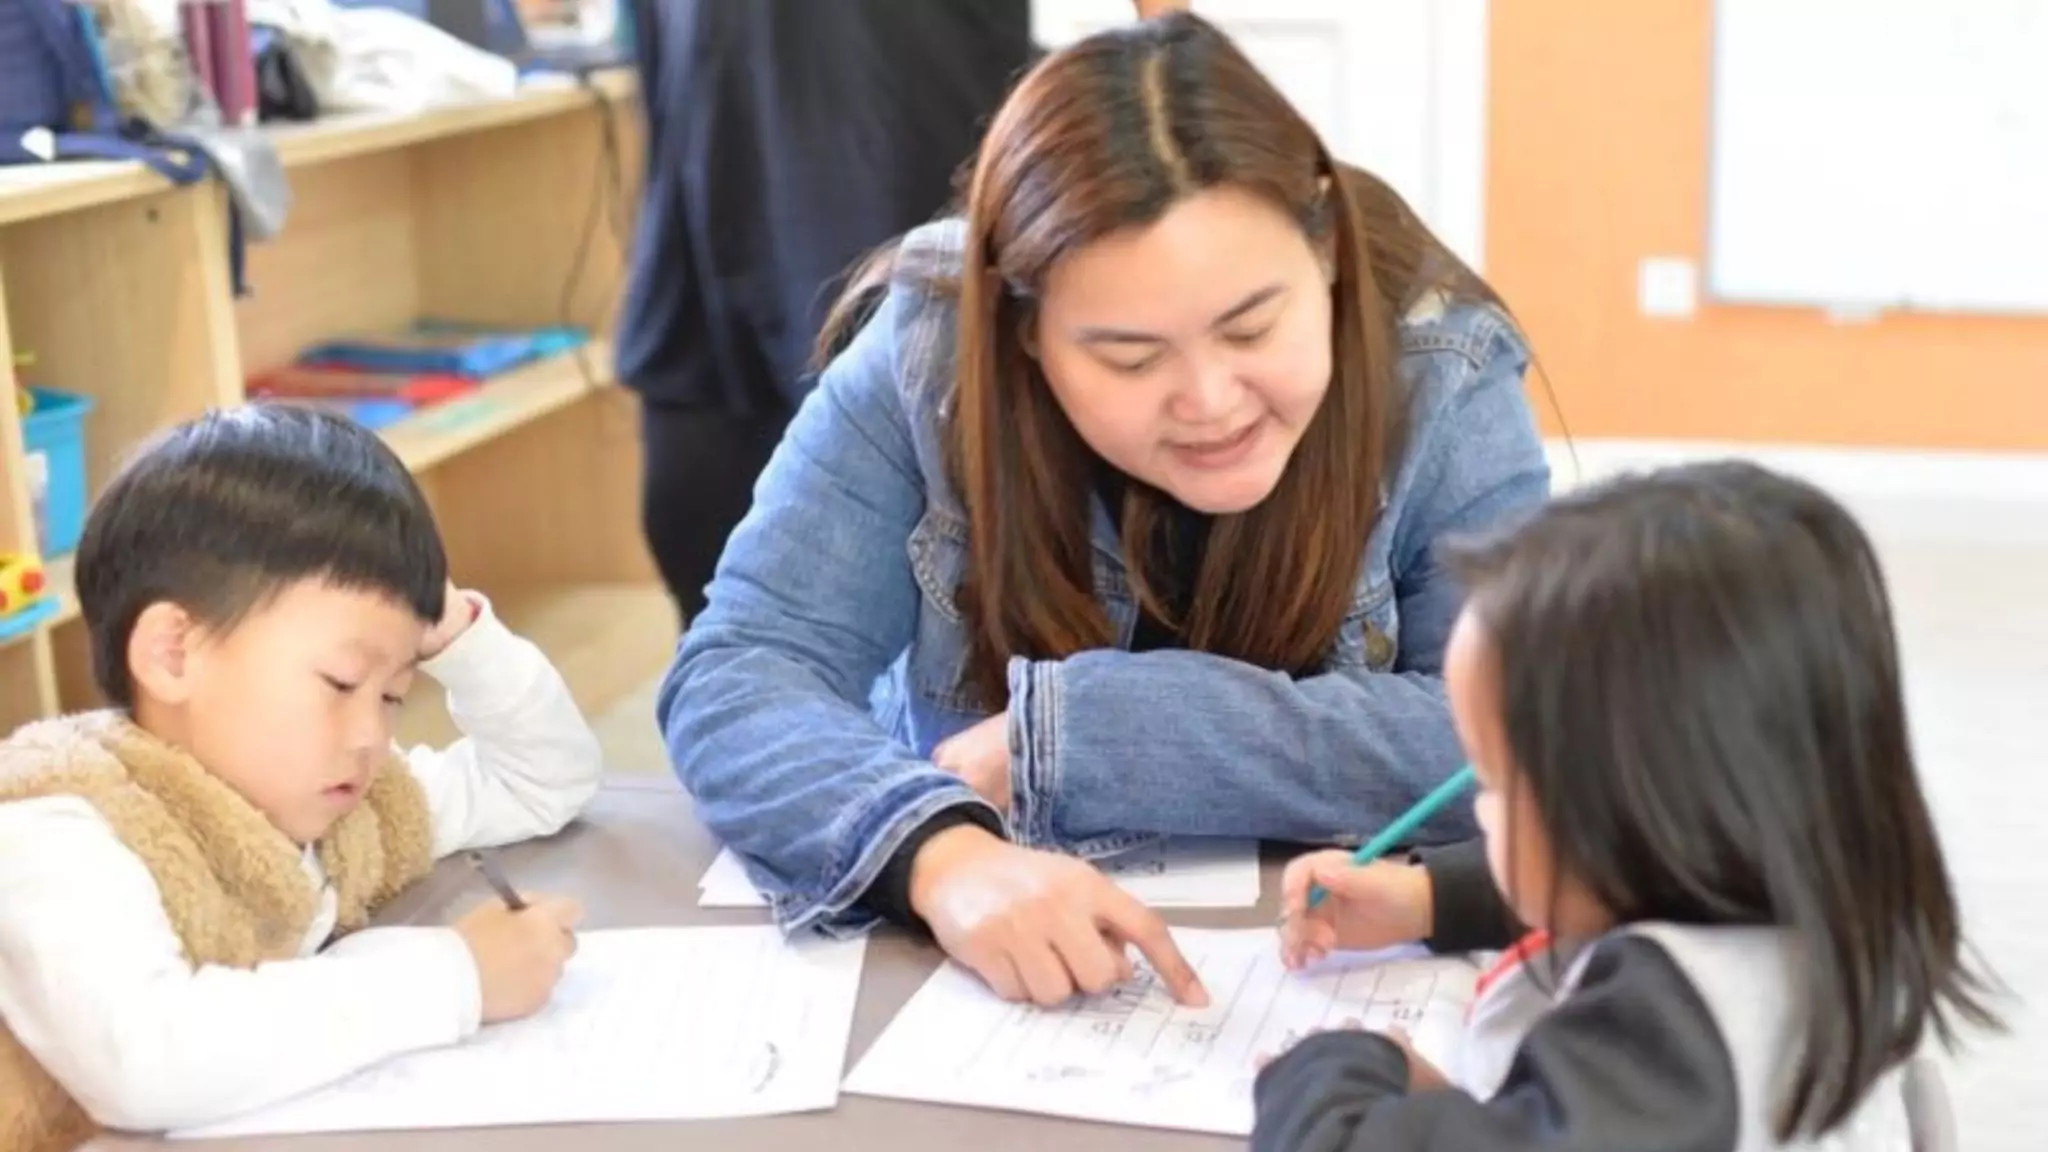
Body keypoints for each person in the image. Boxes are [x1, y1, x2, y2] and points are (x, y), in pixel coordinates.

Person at [658, 11, 1551, 1010]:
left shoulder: (1443, 365)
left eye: (1251, 325)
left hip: (1329, 976)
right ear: (1023, 331)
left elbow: (1515, 732)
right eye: (1127, 357)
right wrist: (937, 856)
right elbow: (740, 670)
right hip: (990, 990)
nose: (1209, 401)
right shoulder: (932, 348)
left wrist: (1079, 737)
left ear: (1328, 254)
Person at [1253, 462, 1998, 1151]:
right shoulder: (1816, 894)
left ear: (1632, 810)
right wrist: (1428, 899)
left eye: (1498, 785)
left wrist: (1331, 1073)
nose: (1481, 811)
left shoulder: (1665, 1042)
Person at [0, 407, 602, 1150]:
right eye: (341, 681)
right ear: (174, 654)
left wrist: (454, 634)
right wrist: (459, 976)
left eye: (392, 696)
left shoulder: (342, 809)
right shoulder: (58, 829)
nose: (370, 737)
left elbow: (544, 781)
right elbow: (147, 1063)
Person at [618, 0, 1193, 623]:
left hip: (898, 149)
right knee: (697, 532)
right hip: (711, 188)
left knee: (921, 579)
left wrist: (1176, 111)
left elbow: (1168, 39)